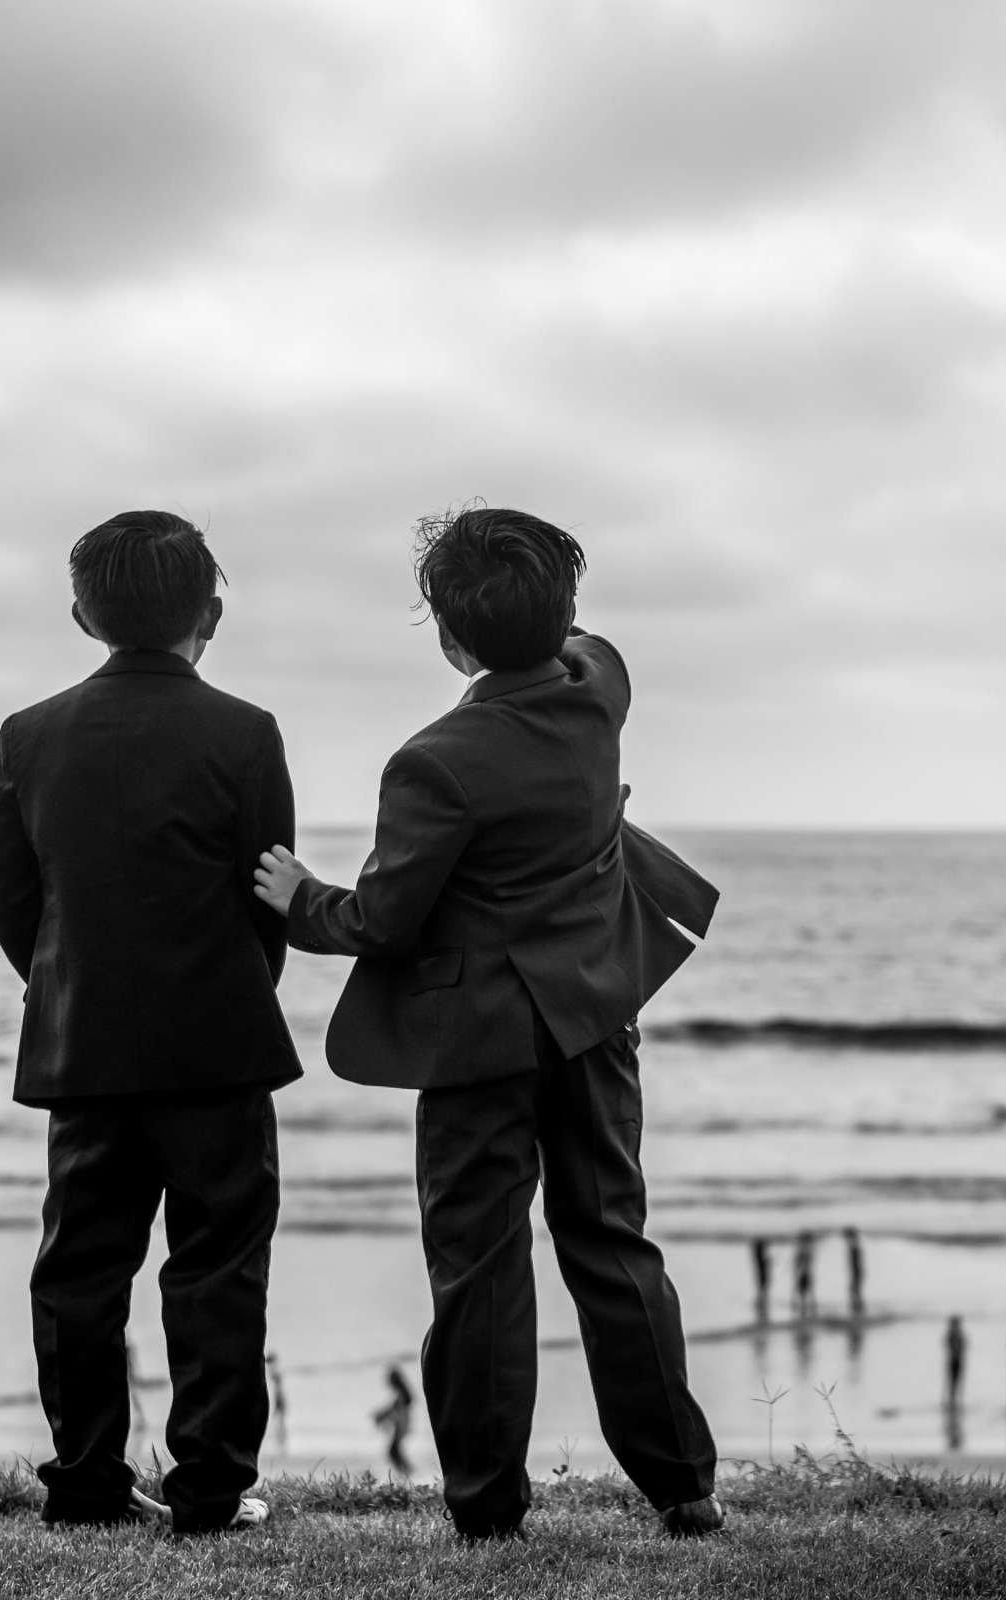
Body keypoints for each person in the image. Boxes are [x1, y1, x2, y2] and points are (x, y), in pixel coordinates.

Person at [252, 507, 723, 1543]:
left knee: (479, 1264)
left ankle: (486, 1504)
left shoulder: (436, 761)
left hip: (481, 1046)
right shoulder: (602, 690)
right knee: (611, 1241)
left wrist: (301, 897)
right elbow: (583, 644)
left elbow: (381, 920)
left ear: (451, 638)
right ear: (563, 615)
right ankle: (684, 1483)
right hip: (596, 1020)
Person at [0, 510, 298, 1535]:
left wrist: (69, 981)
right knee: (218, 1267)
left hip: (86, 1046)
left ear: (82, 616)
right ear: (213, 612)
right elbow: (269, 894)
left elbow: (13, 899)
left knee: (80, 1269)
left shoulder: (27, 736)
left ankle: (84, 1479)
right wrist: (241, 981)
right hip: (217, 1043)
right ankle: (210, 1486)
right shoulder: (247, 732)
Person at [374, 1365, 415, 1479]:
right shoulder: (402, 1392)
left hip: (401, 1426)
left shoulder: (401, 1394)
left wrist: (381, 1416)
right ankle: (407, 1473)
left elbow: (395, 1410)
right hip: (402, 1425)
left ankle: (408, 1473)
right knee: (394, 1451)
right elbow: (394, 1410)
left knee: (393, 1451)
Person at [943, 1316, 967, 1410]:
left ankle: (957, 1402)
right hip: (952, 1361)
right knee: (951, 1383)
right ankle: (951, 1402)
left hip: (958, 1361)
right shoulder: (951, 1335)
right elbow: (947, 1345)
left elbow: (964, 1347)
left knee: (958, 1382)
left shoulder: (960, 1335)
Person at [792, 1230, 818, 1321]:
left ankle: (805, 1313)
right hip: (805, 1273)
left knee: (805, 1293)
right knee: (807, 1293)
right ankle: (807, 1312)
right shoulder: (805, 1250)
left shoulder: (803, 1250)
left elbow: (799, 1264)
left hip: (804, 1273)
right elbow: (800, 1264)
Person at [843, 1226, 865, 1318]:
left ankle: (857, 1310)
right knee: (855, 1290)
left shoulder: (854, 1247)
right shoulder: (854, 1246)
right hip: (856, 1272)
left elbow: (856, 1263)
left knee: (854, 1290)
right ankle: (857, 1309)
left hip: (857, 1272)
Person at [751, 1236, 773, 1320]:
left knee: (761, 1289)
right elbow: (766, 1264)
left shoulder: (758, 1257)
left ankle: (760, 1303)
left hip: (761, 1275)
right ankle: (761, 1303)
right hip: (763, 1275)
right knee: (763, 1289)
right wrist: (769, 1261)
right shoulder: (760, 1257)